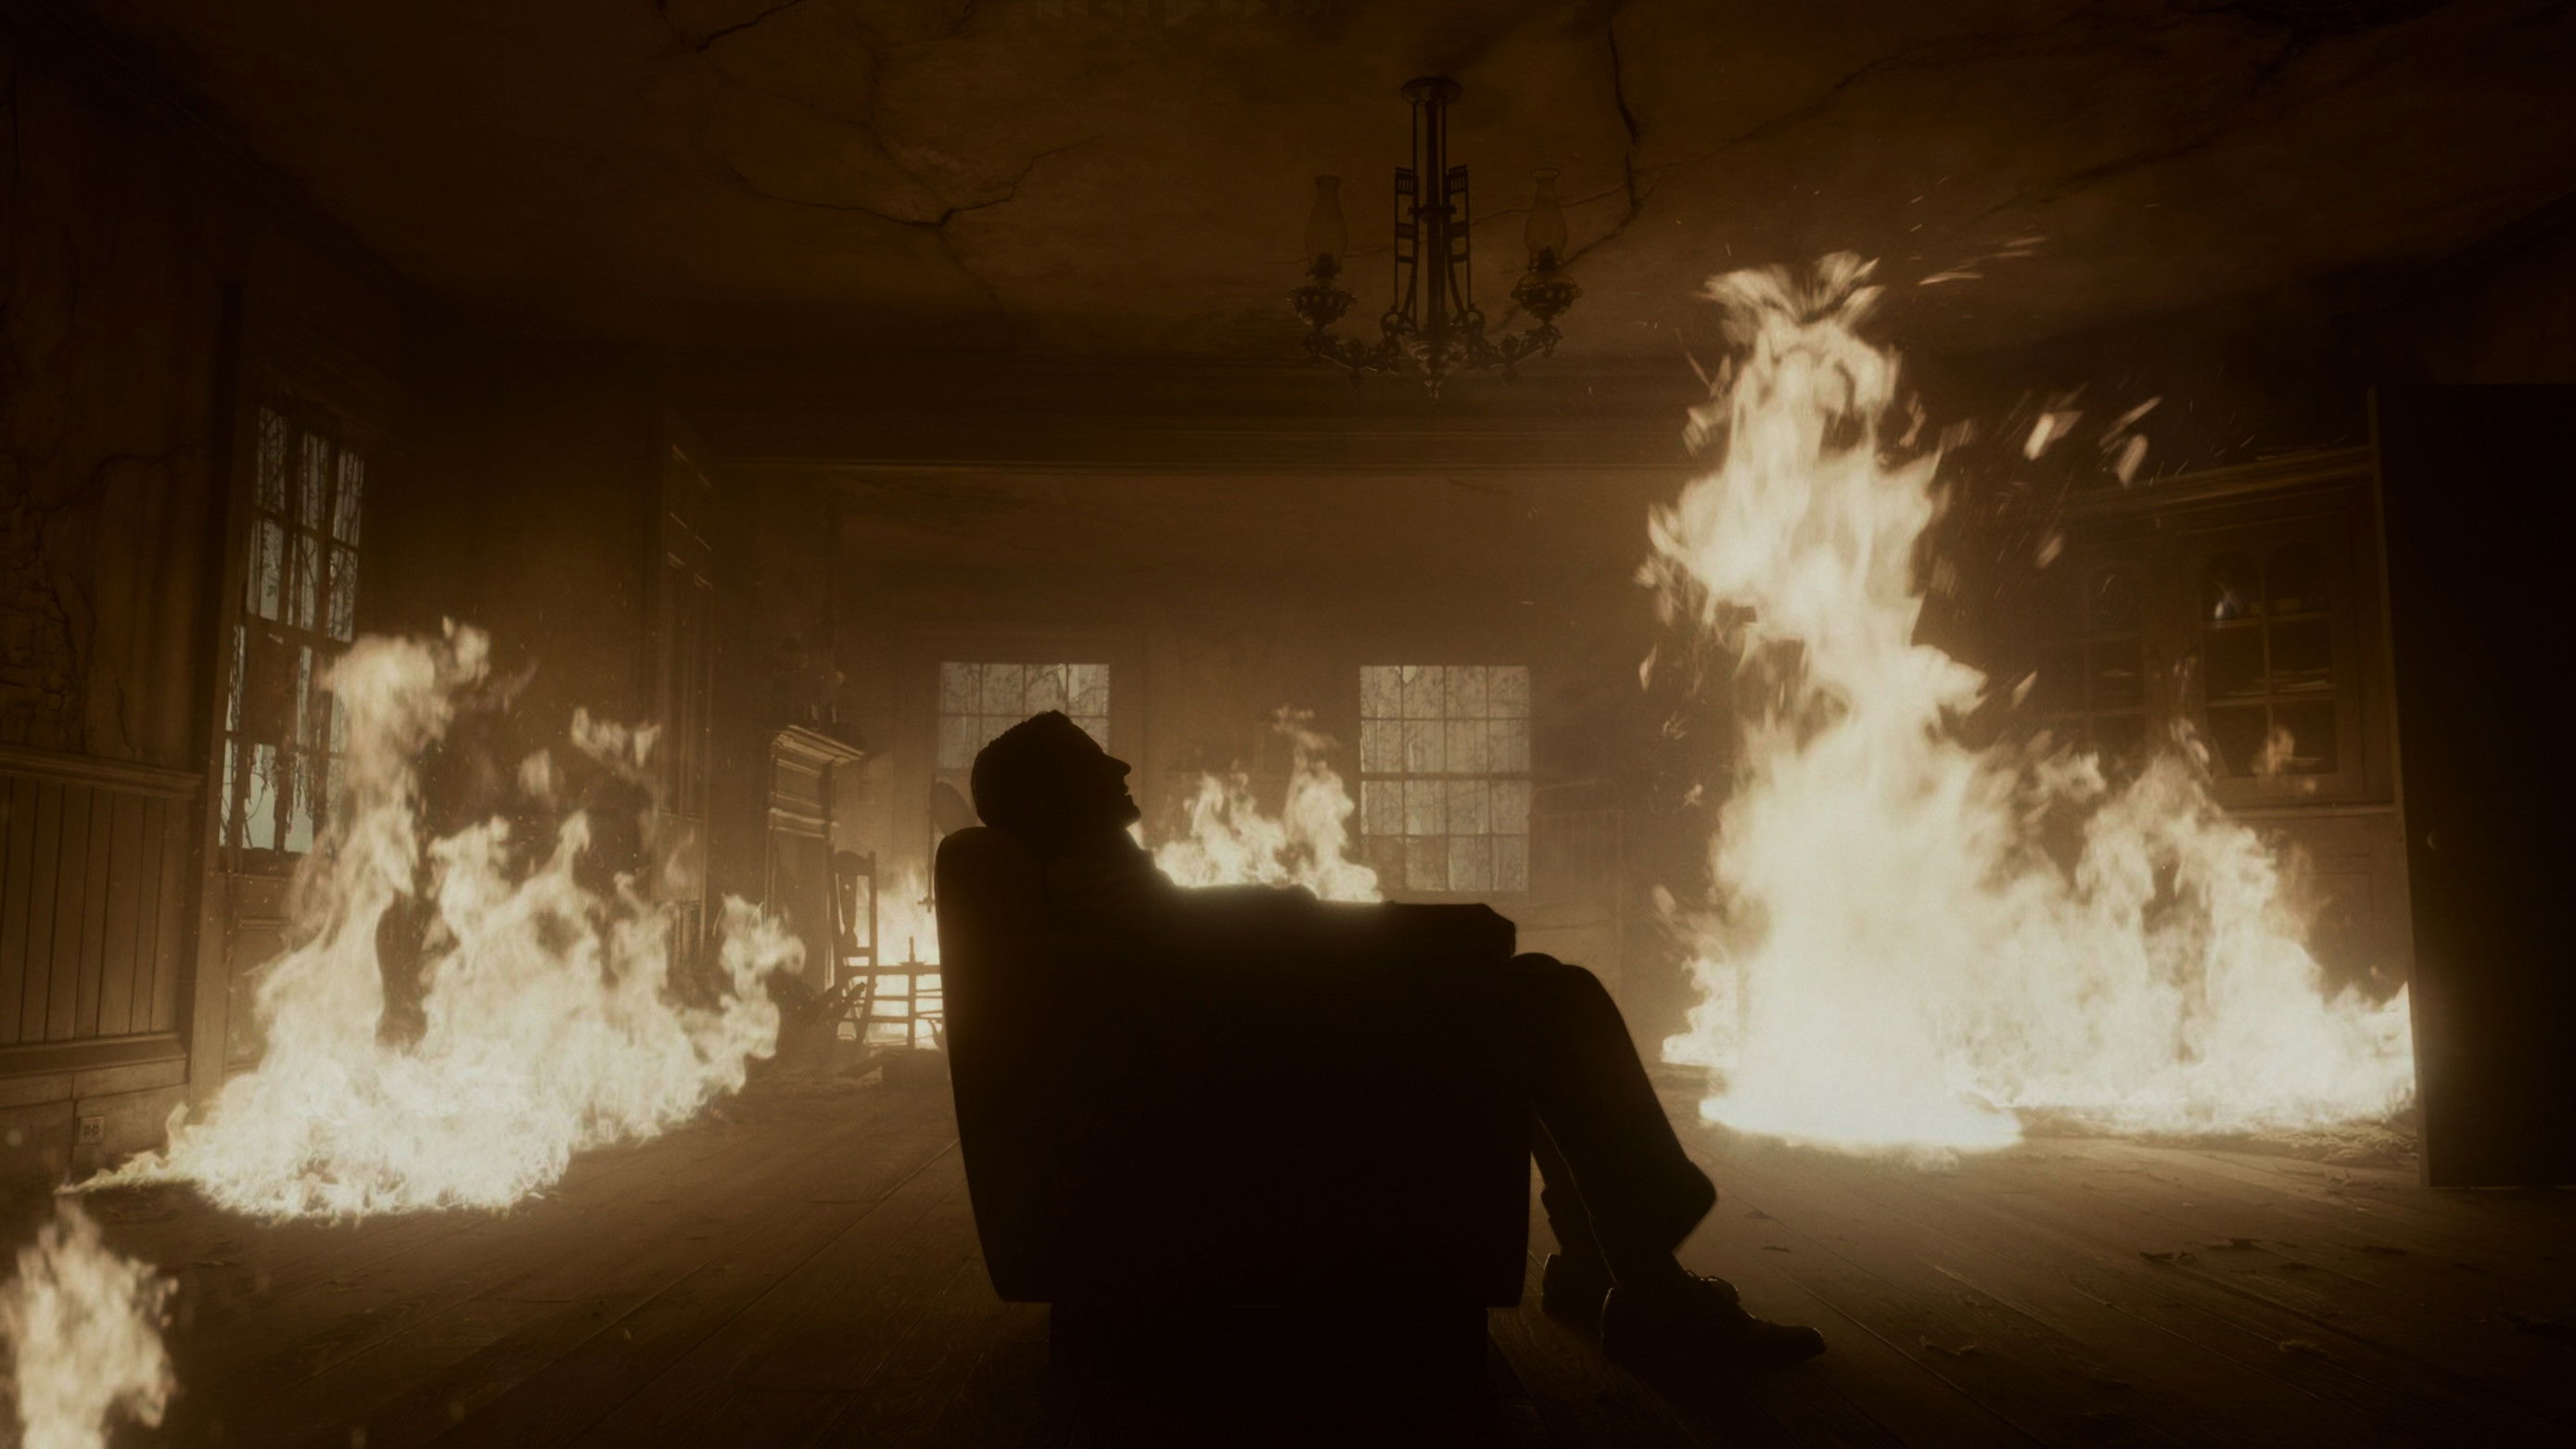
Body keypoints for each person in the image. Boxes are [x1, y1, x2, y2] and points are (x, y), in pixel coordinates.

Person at [966, 710, 1824, 1374]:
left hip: (1257, 1058)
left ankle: (1601, 1259)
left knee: (1536, 992)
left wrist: (1383, 938)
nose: (1119, 766)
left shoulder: (1086, 881)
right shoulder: (1096, 886)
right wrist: (1428, 938)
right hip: (1271, 1075)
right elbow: (1229, 952)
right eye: (1092, 760)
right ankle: (1651, 1294)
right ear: (1048, 796)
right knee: (1548, 997)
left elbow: (1220, 947)